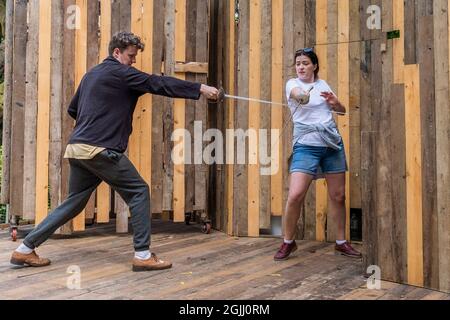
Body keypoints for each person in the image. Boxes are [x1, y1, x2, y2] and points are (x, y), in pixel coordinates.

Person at [10, 32, 219, 272]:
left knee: (74, 203)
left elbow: (73, 109)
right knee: (139, 192)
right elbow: (158, 83)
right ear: (117, 52)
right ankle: (142, 255)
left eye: (135, 57)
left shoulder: (91, 75)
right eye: (131, 56)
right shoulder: (122, 73)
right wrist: (200, 88)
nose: (133, 61)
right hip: (100, 150)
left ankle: (24, 250)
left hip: (77, 148)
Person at [273, 48, 361, 261]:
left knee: (338, 196)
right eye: (298, 63)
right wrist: (303, 96)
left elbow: (341, 111)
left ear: (314, 66)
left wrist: (335, 103)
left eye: (305, 63)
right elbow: (298, 95)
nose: (301, 67)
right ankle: (288, 241)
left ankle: (341, 242)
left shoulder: (323, 85)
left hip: (332, 145)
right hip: (306, 146)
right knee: (295, 195)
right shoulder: (293, 85)